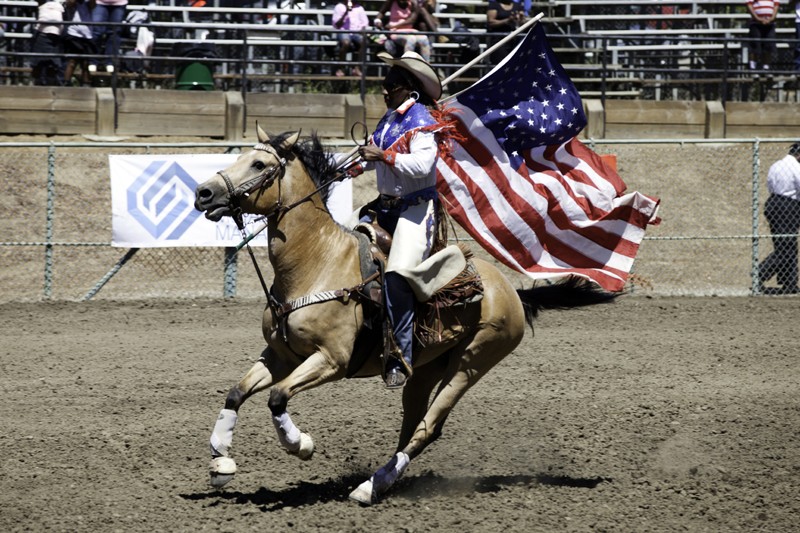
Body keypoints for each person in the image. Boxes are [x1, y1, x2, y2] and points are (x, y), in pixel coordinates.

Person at [355, 51, 447, 388]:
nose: (384, 91)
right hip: (385, 206)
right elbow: (369, 158)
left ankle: (400, 356)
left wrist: (383, 155)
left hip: (416, 209)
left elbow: (423, 167)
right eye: (384, 85)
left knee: (395, 276)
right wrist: (348, 166)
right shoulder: (389, 120)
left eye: (390, 86)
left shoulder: (422, 122)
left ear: (409, 89)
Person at [758, 142, 800, 294]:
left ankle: (789, 282)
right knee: (787, 246)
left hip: (773, 203)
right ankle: (760, 273)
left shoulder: (776, 165)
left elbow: (770, 184)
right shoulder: (797, 167)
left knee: (783, 244)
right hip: (788, 206)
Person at [331, 0, 369, 77]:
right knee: (346, 43)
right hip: (343, 31)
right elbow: (337, 25)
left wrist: (362, 30)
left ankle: (357, 67)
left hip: (356, 32)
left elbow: (365, 23)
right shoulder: (339, 7)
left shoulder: (359, 8)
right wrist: (346, 13)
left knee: (364, 41)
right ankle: (341, 68)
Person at [31, 0, 65, 86]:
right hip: (42, 33)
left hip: (56, 35)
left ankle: (51, 85)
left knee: (53, 64)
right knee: (38, 63)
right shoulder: (44, 3)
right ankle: (37, 85)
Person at [63, 0, 96, 86]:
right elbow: (70, 3)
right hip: (73, 33)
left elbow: (93, 4)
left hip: (87, 35)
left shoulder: (87, 3)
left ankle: (86, 84)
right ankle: (66, 83)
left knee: (85, 62)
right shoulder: (72, 3)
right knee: (72, 61)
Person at [89, 0, 128, 74]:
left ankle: (110, 62)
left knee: (115, 32)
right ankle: (93, 61)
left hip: (119, 3)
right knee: (97, 31)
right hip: (99, 2)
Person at [745, 0, 780, 74]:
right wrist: (757, 18)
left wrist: (771, 18)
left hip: (770, 23)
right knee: (755, 45)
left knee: (768, 45)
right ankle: (753, 68)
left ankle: (766, 68)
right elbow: (749, 5)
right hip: (755, 23)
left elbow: (776, 5)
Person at [485, 0, 525, 65]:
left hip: (513, 39)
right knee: (500, 63)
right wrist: (507, 20)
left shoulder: (518, 5)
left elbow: (522, 22)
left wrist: (521, 18)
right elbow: (490, 22)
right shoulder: (494, 5)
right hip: (497, 40)